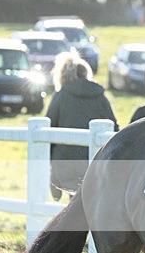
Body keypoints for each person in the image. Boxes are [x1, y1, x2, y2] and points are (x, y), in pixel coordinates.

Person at [46, 50, 119, 198]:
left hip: (65, 162)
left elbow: (49, 128)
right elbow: (114, 128)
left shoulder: (61, 96)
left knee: (71, 206)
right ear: (86, 74)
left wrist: (51, 162)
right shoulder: (100, 96)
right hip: (94, 164)